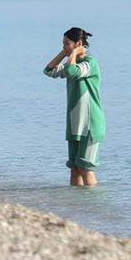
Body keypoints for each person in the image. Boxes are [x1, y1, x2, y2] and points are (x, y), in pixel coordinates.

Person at [44, 27, 105, 187]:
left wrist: (72, 54)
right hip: (75, 124)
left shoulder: (89, 64)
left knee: (85, 168)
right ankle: (77, 208)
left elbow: (72, 71)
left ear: (78, 44)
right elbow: (49, 70)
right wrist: (65, 53)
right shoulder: (73, 62)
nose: (63, 46)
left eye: (67, 43)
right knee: (74, 167)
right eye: (63, 43)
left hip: (90, 124)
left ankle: (93, 205)